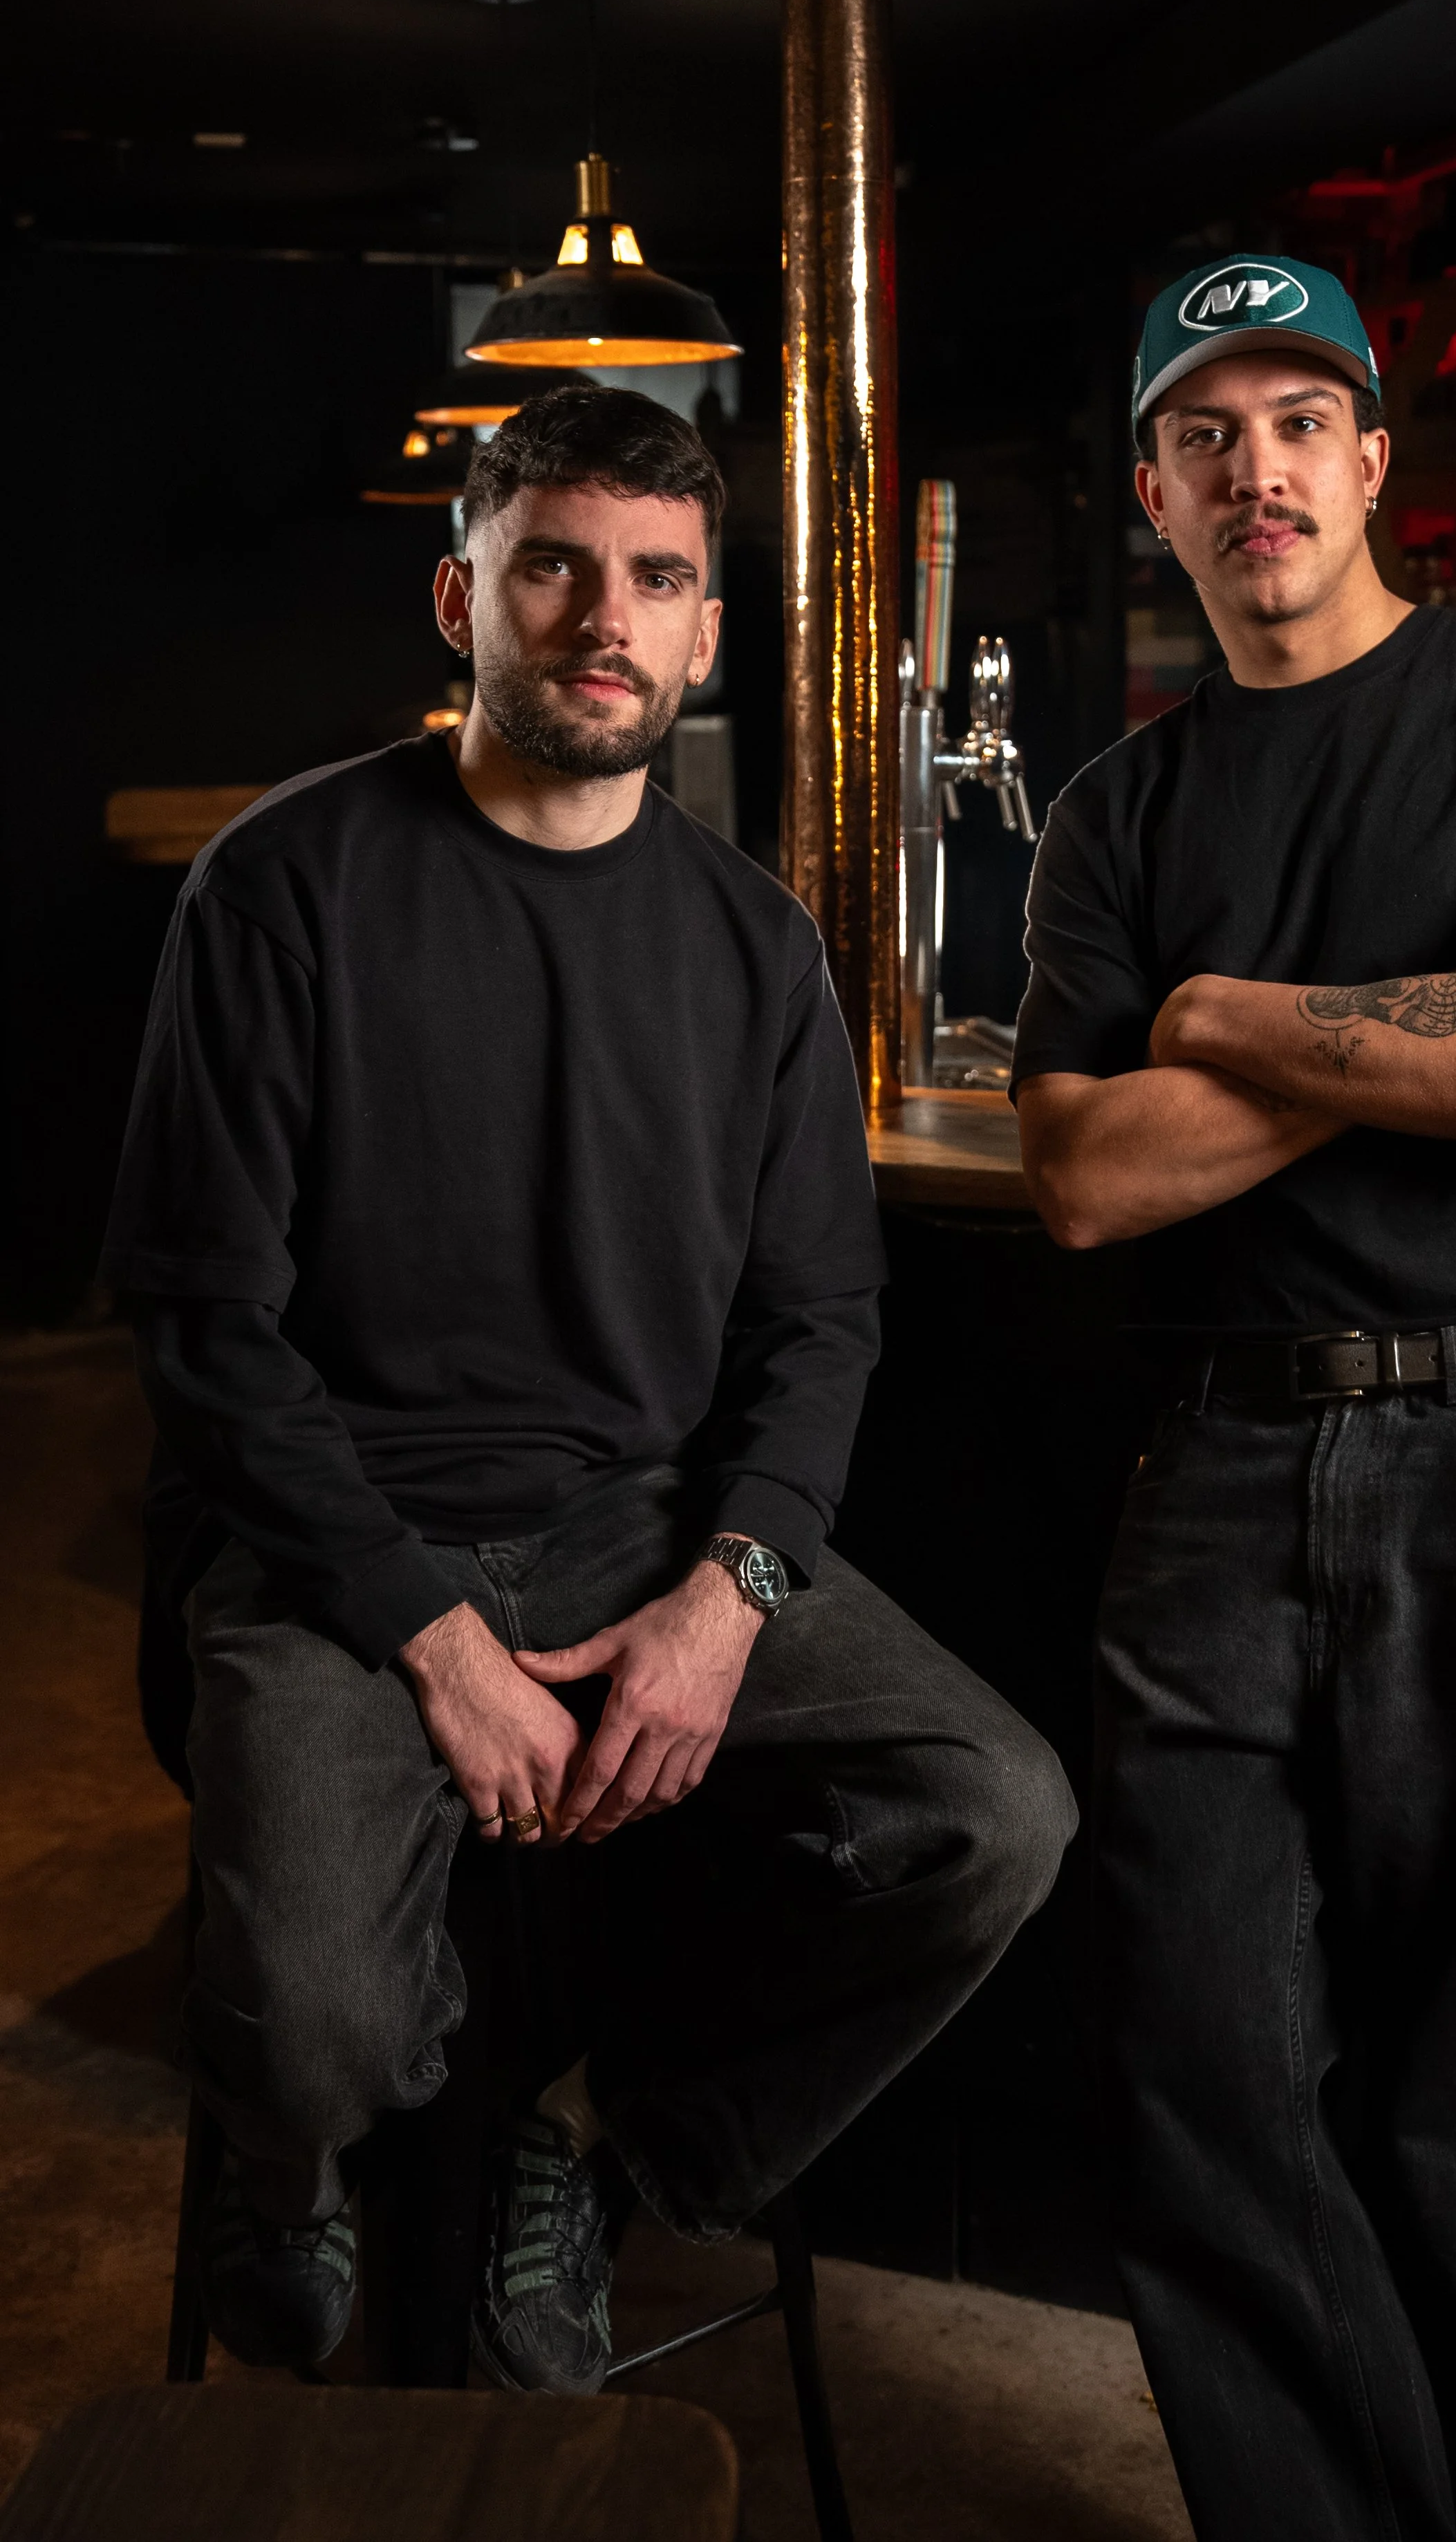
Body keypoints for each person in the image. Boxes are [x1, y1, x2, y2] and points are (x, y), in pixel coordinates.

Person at [105, 382, 1075, 2389]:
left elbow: (822, 1322)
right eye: (551, 565)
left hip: (631, 1528)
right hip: (335, 1539)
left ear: (709, 631)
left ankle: (605, 2141)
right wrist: (427, 1634)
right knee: (323, 2021)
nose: (601, 618)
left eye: (653, 579)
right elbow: (204, 1321)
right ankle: (286, 2156)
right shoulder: (290, 883)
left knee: (992, 1814)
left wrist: (731, 1597)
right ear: (460, 594)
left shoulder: (753, 948)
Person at [1013, 255, 1456, 2542]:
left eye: (1298, 418)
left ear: (1372, 458)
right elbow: (1088, 1180)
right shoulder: (1117, 816)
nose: (1257, 469)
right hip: (1214, 1465)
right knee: (1195, 2093)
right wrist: (1424, 1038)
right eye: (1203, 435)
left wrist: (1225, 1018)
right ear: (1153, 490)